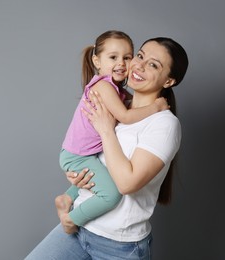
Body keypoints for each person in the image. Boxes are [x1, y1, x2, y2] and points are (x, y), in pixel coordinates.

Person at [25, 36, 189, 260]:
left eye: (153, 64)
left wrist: (106, 130)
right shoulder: (118, 104)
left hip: (119, 246)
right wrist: (77, 179)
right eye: (140, 56)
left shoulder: (164, 124)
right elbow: (91, 153)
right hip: (79, 230)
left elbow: (126, 183)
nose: (138, 65)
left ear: (169, 81)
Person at [57, 30, 168, 233]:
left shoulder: (116, 90)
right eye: (113, 57)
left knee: (104, 169)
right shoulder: (104, 86)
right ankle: (72, 220)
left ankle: (67, 197)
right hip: (78, 156)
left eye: (127, 57)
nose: (121, 64)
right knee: (110, 194)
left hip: (83, 154)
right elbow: (125, 116)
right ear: (97, 61)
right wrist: (156, 107)